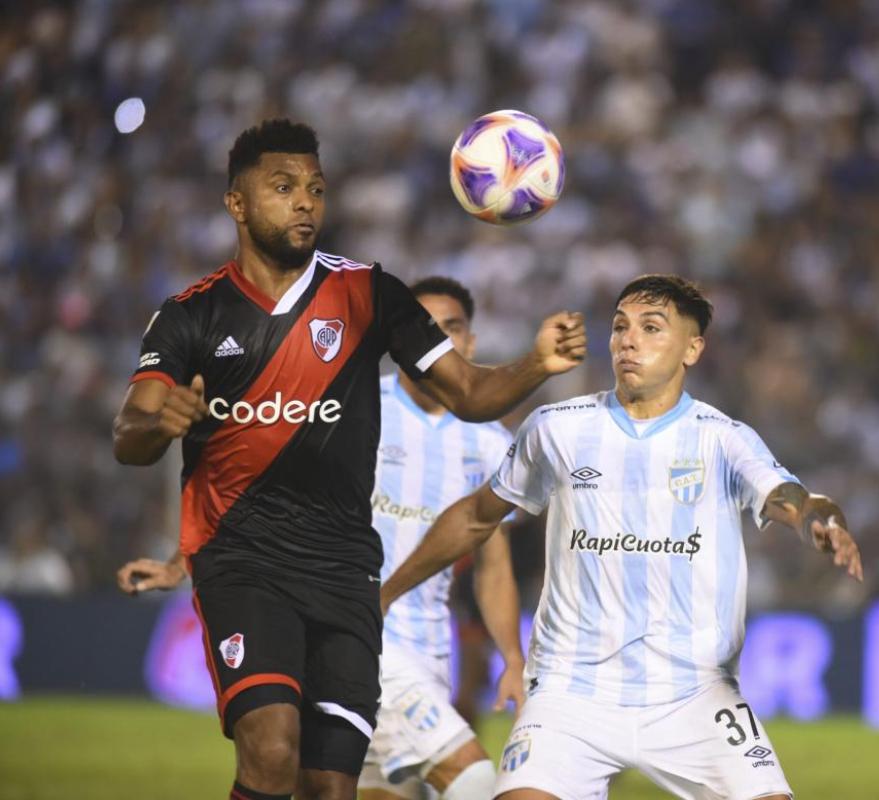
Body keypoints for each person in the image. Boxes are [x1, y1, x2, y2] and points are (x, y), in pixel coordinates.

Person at [110, 119, 586, 800]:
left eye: (316, 188)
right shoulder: (192, 314)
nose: (306, 202)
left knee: (331, 786)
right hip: (245, 563)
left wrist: (536, 364)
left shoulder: (369, 293)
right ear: (236, 203)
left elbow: (470, 394)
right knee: (272, 749)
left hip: (345, 572)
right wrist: (161, 424)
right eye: (283, 187)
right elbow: (129, 432)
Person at [380, 274, 862, 799]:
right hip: (571, 694)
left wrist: (821, 520)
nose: (629, 340)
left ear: (692, 349)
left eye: (651, 328)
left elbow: (791, 497)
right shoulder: (556, 428)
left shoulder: (724, 439)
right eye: (619, 327)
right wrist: (383, 595)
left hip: (695, 693)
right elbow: (476, 517)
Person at [359, 277, 524, 800]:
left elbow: (493, 564)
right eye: (424, 328)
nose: (437, 341)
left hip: (429, 647)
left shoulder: (491, 442)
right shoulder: (358, 406)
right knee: (473, 780)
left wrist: (513, 658)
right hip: (355, 633)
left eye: (450, 329)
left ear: (468, 344)